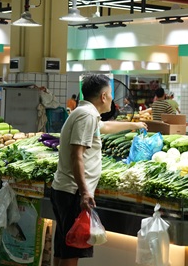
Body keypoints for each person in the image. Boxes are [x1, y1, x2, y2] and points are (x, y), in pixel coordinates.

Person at [50, 74, 147, 266]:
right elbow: (77, 155)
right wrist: (85, 193)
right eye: (110, 94)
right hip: (73, 192)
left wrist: (134, 125)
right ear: (103, 96)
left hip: (67, 190)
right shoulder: (86, 115)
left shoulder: (86, 113)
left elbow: (105, 126)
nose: (111, 98)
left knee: (64, 247)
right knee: (72, 249)